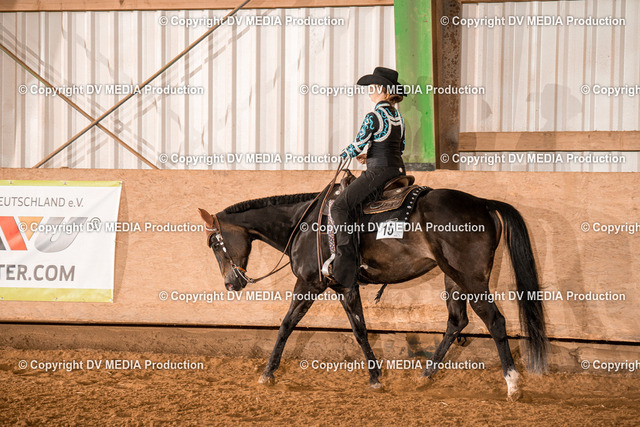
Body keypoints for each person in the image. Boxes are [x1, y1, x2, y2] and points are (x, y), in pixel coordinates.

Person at [329, 66, 407, 289]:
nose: (369, 90)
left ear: (382, 90)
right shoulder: (399, 117)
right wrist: (370, 155)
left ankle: (345, 263)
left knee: (339, 207)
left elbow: (357, 144)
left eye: (372, 87)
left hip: (378, 173)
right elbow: (399, 147)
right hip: (397, 171)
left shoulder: (374, 116)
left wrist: (344, 154)